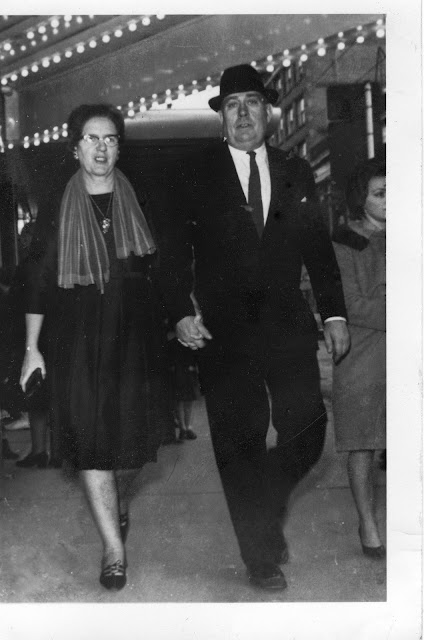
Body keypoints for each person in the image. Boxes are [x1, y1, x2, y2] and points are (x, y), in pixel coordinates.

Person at [158, 64, 350, 591]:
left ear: (268, 112)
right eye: (232, 105)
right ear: (221, 117)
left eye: (251, 102)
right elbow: (171, 253)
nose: (242, 113)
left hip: (288, 326)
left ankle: (261, 505)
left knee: (308, 429)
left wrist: (333, 312)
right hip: (224, 333)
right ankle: (259, 555)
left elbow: (317, 248)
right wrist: (179, 311)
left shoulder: (295, 170)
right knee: (238, 440)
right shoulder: (194, 173)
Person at [20, 103, 163, 590]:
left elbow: (161, 267)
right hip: (76, 341)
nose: (102, 148)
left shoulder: (140, 199)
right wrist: (32, 348)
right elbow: (38, 282)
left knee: (132, 449)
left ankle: (118, 502)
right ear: (75, 148)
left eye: (111, 139)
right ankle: (113, 548)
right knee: (91, 443)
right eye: (92, 138)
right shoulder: (55, 209)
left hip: (134, 339)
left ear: (119, 148)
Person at [332, 158, 386, 559]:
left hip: (406, 348)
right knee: (362, 443)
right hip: (361, 352)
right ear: (360, 199)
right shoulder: (344, 241)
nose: (389, 200)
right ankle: (368, 523)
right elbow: (349, 304)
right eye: (380, 194)